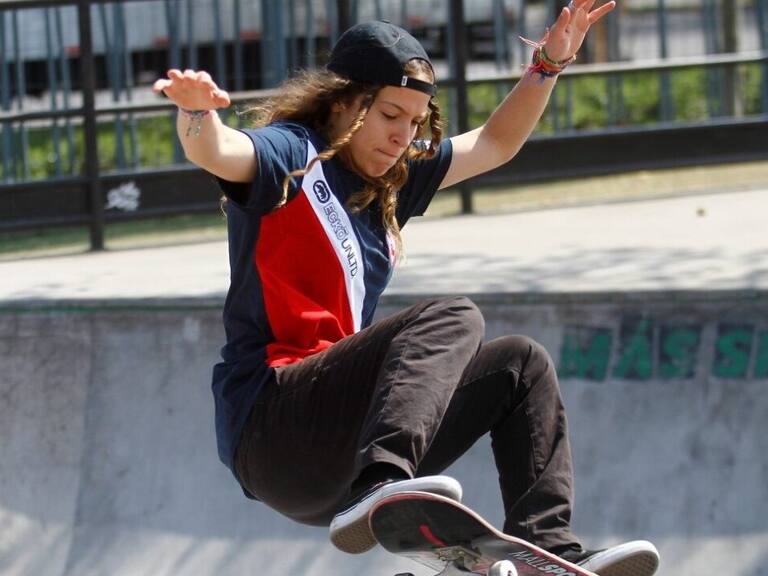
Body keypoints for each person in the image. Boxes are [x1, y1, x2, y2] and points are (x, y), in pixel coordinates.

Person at [154, 3, 661, 575]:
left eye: (416, 122)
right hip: (273, 427)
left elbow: (494, 144)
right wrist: (196, 115)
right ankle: (387, 486)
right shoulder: (291, 154)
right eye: (390, 114)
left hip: (339, 450)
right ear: (342, 101)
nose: (402, 137)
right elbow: (220, 151)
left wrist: (547, 65)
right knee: (452, 316)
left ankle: (546, 550)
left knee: (522, 366)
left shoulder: (391, 182)